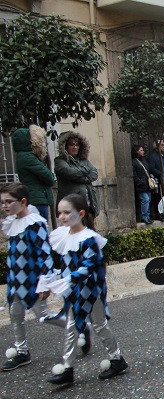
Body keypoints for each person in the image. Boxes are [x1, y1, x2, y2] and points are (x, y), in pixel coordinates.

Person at [44, 194, 128, 385]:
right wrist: (55, 277)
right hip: (74, 289)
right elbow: (65, 263)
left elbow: (90, 264)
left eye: (67, 212)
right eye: (60, 213)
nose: (62, 217)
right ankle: (70, 367)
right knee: (78, 325)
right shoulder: (63, 235)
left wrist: (69, 279)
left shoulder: (89, 238)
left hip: (90, 289)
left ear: (81, 213)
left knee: (93, 325)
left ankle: (113, 359)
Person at [1, 183, 54, 371]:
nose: (4, 206)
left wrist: (45, 282)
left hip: (32, 281)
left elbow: (44, 253)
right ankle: (22, 352)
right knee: (15, 314)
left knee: (44, 316)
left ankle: (79, 328)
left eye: (8, 202)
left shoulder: (35, 223)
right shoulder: (12, 223)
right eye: (2, 202)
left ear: (23, 202)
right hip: (15, 281)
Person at [11, 126, 55, 222]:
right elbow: (49, 177)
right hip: (37, 200)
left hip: (34, 198)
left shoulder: (22, 156)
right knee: (40, 230)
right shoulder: (28, 157)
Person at [54, 131, 99, 216]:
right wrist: (86, 171)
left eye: (77, 145)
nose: (75, 147)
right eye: (71, 144)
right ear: (65, 146)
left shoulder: (84, 160)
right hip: (71, 207)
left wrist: (83, 178)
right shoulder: (60, 161)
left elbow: (94, 173)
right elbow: (71, 173)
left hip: (88, 205)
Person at [146, 139, 164, 222]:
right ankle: (157, 214)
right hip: (158, 181)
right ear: (157, 146)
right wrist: (161, 174)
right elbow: (151, 168)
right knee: (158, 198)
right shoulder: (152, 156)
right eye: (162, 145)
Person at [131, 145, 153, 224]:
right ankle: (144, 216)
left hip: (147, 184)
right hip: (141, 185)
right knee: (145, 199)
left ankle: (147, 216)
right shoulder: (134, 161)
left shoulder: (144, 161)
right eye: (141, 150)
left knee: (148, 200)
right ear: (137, 151)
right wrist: (139, 182)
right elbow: (134, 173)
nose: (143, 151)